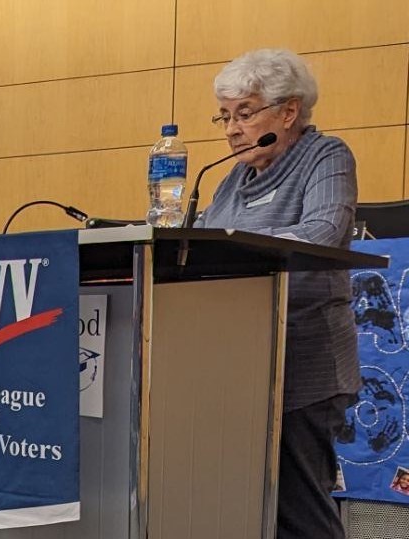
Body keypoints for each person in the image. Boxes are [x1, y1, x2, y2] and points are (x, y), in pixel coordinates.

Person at [194, 48, 358, 539]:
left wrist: (237, 251)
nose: (231, 129)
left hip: (303, 367)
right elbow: (200, 247)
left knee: (299, 513)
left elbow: (324, 232)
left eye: (245, 113)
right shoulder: (231, 180)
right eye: (225, 116)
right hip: (237, 370)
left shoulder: (326, 157)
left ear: (288, 112)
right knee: (242, 506)